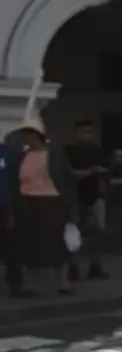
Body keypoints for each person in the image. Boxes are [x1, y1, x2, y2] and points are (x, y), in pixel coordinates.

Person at [12, 119, 77, 296]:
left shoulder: (54, 154)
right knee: (29, 244)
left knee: (56, 241)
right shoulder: (22, 156)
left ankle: (63, 282)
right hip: (27, 201)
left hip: (51, 201)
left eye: (28, 134)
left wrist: (70, 203)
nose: (25, 138)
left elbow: (68, 179)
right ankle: (30, 284)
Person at [64, 120, 109, 280]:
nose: (87, 135)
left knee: (97, 233)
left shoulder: (96, 150)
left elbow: (106, 169)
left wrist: (100, 171)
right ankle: (73, 267)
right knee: (74, 234)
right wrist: (84, 173)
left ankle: (95, 266)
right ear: (76, 132)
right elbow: (67, 173)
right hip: (76, 197)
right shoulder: (69, 151)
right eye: (84, 131)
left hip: (95, 196)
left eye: (89, 132)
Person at [0, 139, 24, 297]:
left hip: (6, 206)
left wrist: (14, 208)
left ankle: (15, 284)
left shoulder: (11, 153)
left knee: (10, 246)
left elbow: (19, 181)